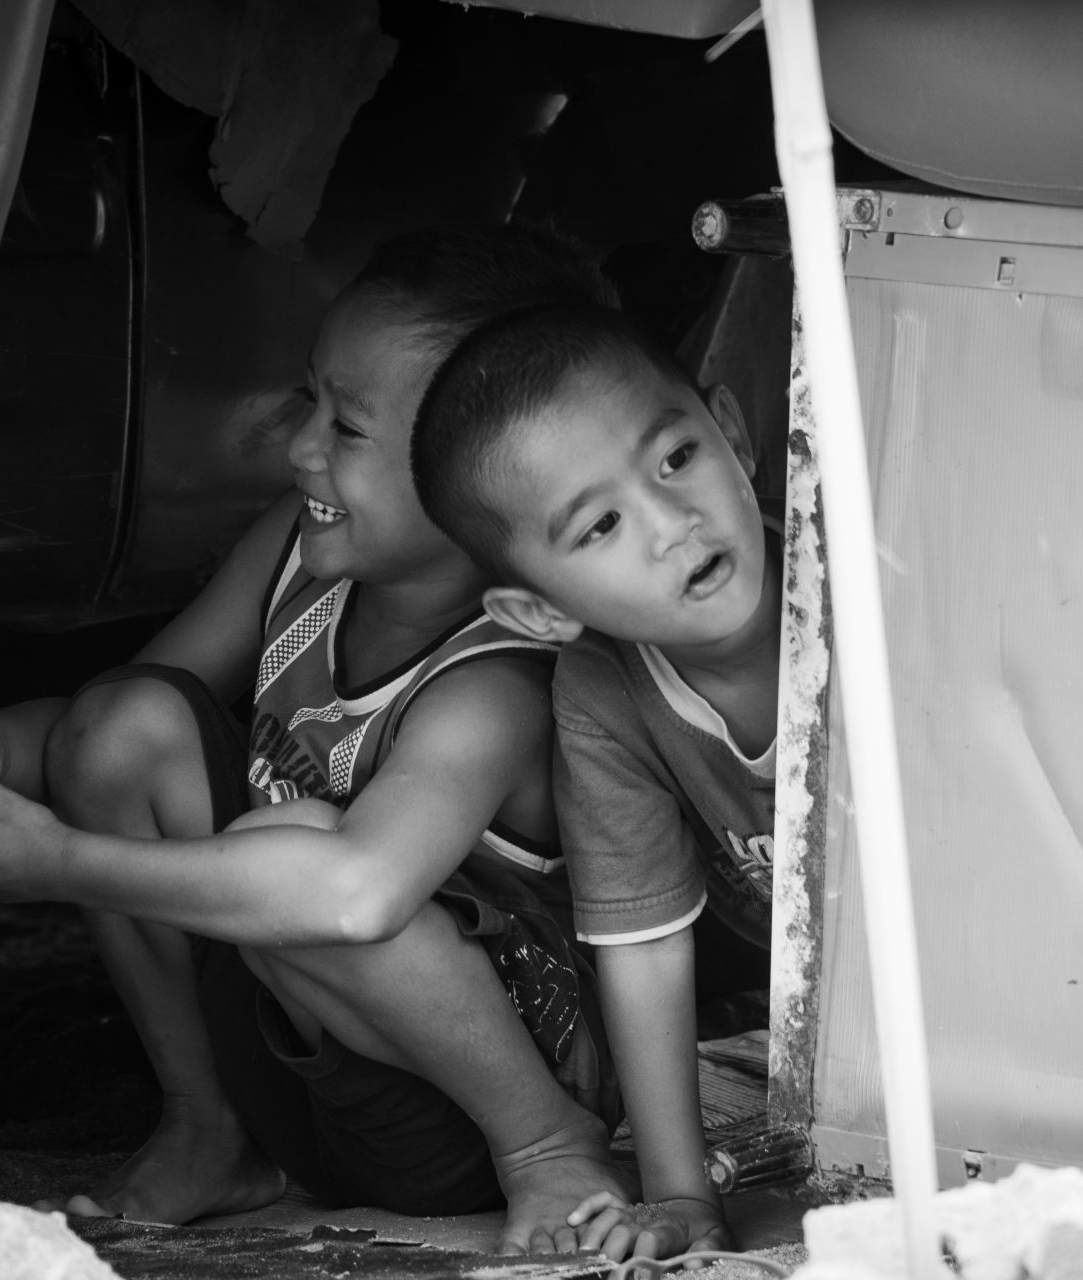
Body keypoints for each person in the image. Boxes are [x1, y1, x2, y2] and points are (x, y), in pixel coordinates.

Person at [0, 227, 635, 1254]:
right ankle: (211, 1128)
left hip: (451, 1120)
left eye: (347, 427)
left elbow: (357, 896)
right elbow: (115, 727)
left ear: (481, 472)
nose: (300, 447)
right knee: (126, 724)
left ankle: (548, 1146)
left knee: (305, 851)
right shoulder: (299, 551)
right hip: (295, 1046)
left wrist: (55, 862)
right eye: (309, 401)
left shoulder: (497, 678)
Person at [411, 302, 781, 1263]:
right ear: (539, 612)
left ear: (734, 434)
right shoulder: (604, 693)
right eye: (602, 524)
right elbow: (646, 945)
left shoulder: (872, 589)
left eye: (677, 459)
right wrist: (680, 1195)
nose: (672, 524)